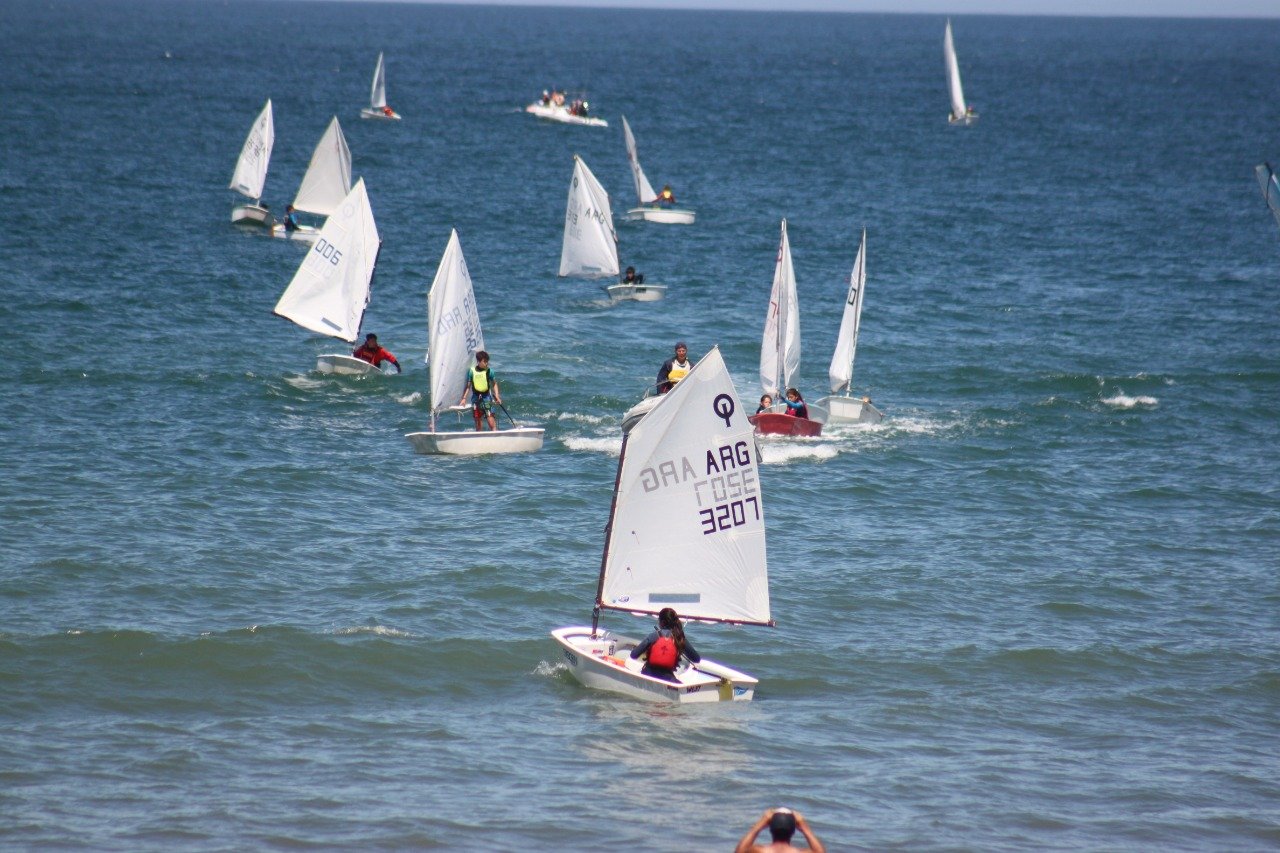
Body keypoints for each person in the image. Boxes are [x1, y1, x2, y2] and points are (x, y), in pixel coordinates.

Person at [629, 607, 700, 682]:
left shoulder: (653, 635)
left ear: (662, 622)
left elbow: (633, 655)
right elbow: (696, 659)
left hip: (648, 674)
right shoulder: (679, 638)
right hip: (667, 678)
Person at [734, 808, 826, 853]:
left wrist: (759, 825)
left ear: (770, 829)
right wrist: (805, 828)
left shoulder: (759, 851)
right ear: (793, 832)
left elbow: (740, 851)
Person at [459, 350, 502, 432]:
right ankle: (479, 435)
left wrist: (497, 396)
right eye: (484, 361)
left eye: (487, 361)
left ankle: (494, 433)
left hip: (486, 398)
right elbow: (468, 386)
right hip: (476, 398)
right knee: (478, 420)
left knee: (490, 417)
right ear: (478, 361)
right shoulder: (472, 371)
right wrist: (464, 398)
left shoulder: (489, 371)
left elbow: (494, 384)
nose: (486, 363)